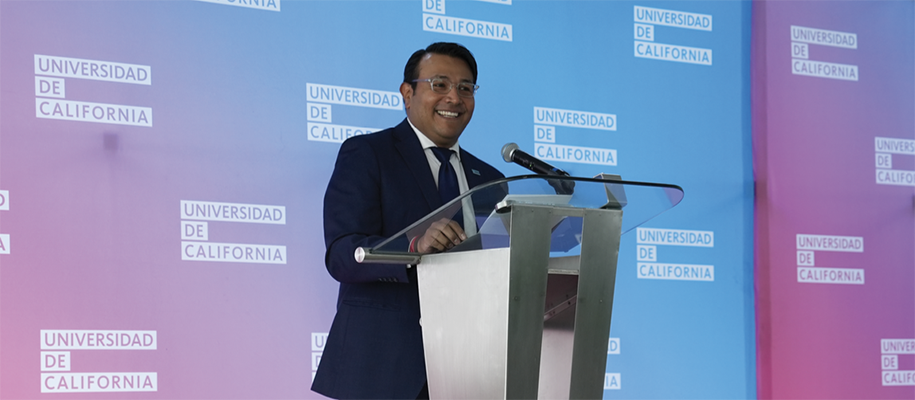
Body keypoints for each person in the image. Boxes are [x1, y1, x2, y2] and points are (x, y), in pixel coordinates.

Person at [312, 42, 505, 400]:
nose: (454, 98)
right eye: (440, 84)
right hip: (383, 370)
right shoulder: (368, 154)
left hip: (471, 369)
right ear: (407, 92)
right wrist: (413, 247)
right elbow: (341, 254)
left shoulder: (489, 179)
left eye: (466, 88)